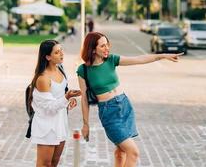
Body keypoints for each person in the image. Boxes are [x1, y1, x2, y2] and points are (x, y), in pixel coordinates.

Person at [76, 32, 183, 167]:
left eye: (107, 44)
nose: (107, 48)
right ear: (92, 49)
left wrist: (162, 56)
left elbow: (139, 59)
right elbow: (84, 99)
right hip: (109, 113)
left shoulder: (111, 60)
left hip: (125, 107)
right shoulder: (83, 70)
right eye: (103, 46)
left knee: (121, 152)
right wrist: (86, 124)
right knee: (133, 152)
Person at [30, 39, 81, 167]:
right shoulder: (42, 78)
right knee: (45, 164)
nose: (62, 54)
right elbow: (49, 107)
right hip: (46, 125)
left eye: (61, 50)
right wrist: (66, 97)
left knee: (54, 163)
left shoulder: (61, 69)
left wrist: (70, 98)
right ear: (47, 57)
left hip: (61, 121)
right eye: (57, 52)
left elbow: (59, 94)